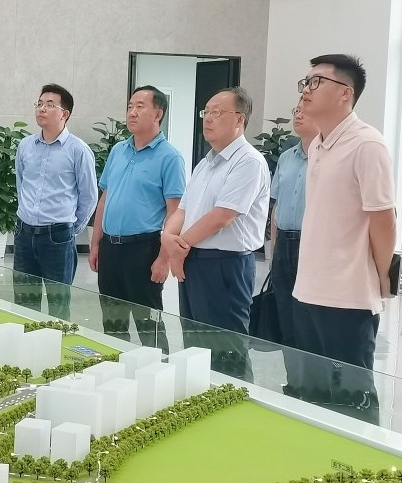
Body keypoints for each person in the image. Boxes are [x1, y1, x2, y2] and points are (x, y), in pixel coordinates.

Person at [293, 54, 396, 423]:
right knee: (315, 397)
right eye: (306, 82)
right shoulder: (318, 145)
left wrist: (381, 276)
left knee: (353, 402)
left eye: (317, 82)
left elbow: (383, 220)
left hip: (348, 298)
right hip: (308, 291)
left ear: (345, 93)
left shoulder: (367, 144)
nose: (306, 90)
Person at [161, 86, 270, 378]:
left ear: (240, 119)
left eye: (217, 112)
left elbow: (222, 217)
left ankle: (236, 399)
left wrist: (178, 248)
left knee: (226, 349)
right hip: (194, 259)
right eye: (206, 112)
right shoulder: (206, 163)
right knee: (195, 343)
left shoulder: (248, 161)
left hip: (225, 265)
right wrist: (167, 239)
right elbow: (182, 210)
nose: (208, 118)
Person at [88, 85, 185, 350]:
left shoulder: (170, 157)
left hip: (144, 249)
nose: (132, 112)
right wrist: (96, 244)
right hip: (111, 247)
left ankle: (159, 369)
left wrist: (163, 259)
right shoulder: (118, 150)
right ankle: (116, 367)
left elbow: (175, 212)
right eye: (130, 106)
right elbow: (105, 198)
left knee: (148, 324)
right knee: (112, 321)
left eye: (140, 107)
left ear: (158, 114)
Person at [13, 83, 97, 320]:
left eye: (50, 105)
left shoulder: (78, 150)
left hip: (58, 236)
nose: (42, 109)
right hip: (24, 233)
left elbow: (89, 196)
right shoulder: (25, 146)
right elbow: (21, 184)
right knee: (24, 303)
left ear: (64, 114)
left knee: (58, 306)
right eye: (39, 104)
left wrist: (71, 229)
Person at [269, 99, 319, 397]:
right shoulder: (287, 158)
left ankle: (314, 387)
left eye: (305, 110)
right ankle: (294, 384)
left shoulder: (327, 158)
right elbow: (277, 208)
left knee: (309, 318)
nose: (298, 114)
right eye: (296, 110)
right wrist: (274, 249)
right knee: (286, 316)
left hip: (312, 245)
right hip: (284, 245)